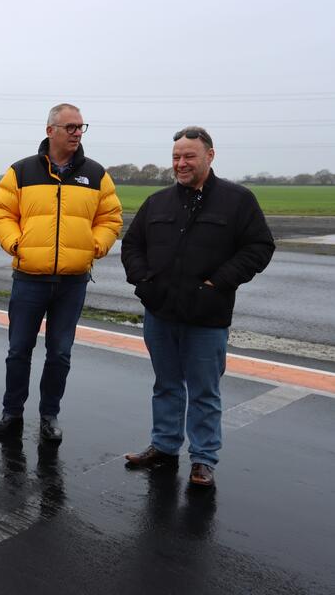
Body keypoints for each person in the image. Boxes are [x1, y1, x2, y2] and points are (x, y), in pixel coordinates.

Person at [121, 127, 274, 487]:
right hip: (161, 313)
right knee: (166, 385)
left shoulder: (237, 200)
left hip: (207, 316)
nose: (181, 163)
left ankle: (203, 458)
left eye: (189, 156)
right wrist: (144, 283)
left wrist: (217, 283)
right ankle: (164, 446)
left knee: (205, 392)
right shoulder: (158, 202)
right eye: (176, 156)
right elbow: (132, 245)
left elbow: (259, 247)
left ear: (210, 155)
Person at [0, 104, 122, 441]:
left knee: (60, 353)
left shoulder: (96, 174)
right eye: (70, 127)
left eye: (81, 127)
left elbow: (110, 218)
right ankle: (11, 414)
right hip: (29, 278)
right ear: (50, 131)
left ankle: (49, 416)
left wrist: (94, 246)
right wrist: (17, 244)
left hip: (73, 282)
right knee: (18, 350)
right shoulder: (21, 171)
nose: (77, 133)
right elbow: (1, 213)